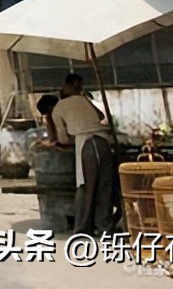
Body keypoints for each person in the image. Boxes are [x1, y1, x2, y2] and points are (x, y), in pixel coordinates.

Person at [51, 73, 115, 236]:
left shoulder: (58, 108)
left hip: (85, 143)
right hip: (103, 141)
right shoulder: (84, 100)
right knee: (104, 187)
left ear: (65, 87)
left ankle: (83, 228)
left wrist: (60, 142)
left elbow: (63, 139)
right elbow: (101, 116)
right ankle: (104, 227)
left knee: (85, 186)